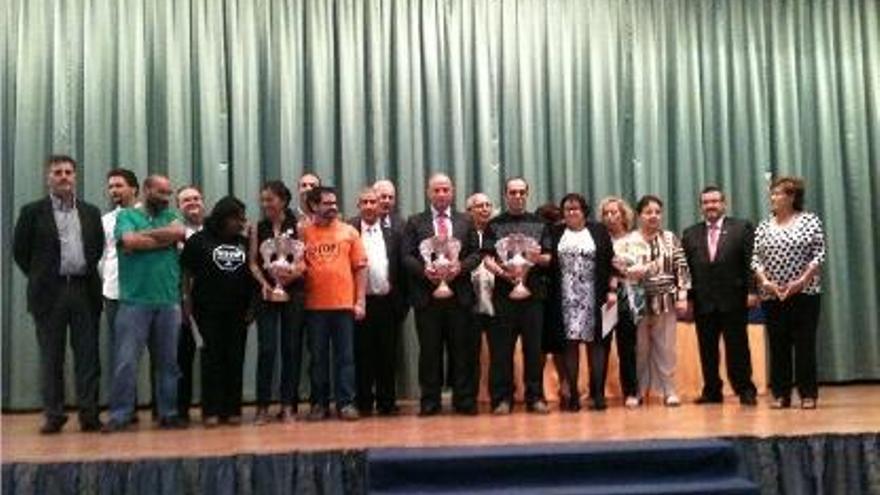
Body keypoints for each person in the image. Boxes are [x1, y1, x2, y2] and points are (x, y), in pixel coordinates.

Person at [13, 155, 105, 433]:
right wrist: (42, 276)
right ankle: (54, 415)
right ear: (48, 178)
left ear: (75, 176)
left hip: (83, 290)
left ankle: (89, 414)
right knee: (51, 356)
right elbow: (21, 252)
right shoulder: (32, 212)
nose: (64, 176)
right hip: (49, 293)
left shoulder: (90, 212)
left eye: (68, 172)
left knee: (88, 356)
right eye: (57, 172)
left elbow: (96, 248)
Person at [103, 175, 187, 432]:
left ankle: (168, 413)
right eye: (161, 192)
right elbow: (128, 241)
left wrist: (146, 237)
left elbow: (179, 232)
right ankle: (120, 415)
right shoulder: (126, 216)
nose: (166, 198)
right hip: (134, 301)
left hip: (168, 301)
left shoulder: (173, 216)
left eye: (169, 193)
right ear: (147, 190)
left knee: (168, 363)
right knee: (126, 362)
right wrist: (162, 240)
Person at [401, 173, 480, 416]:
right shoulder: (415, 222)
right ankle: (430, 401)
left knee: (461, 351)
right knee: (430, 352)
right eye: (437, 190)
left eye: (446, 189)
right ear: (428, 193)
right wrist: (425, 272)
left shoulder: (466, 220)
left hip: (459, 298)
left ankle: (464, 400)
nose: (442, 194)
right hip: (428, 298)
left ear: (452, 192)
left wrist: (460, 267)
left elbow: (476, 254)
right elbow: (406, 256)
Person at [752, 177, 825, 409]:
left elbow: (818, 254)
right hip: (773, 296)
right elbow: (755, 259)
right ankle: (781, 394)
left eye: (778, 194)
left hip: (805, 294)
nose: (772, 198)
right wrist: (766, 283)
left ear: (792, 197)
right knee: (778, 344)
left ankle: (808, 394)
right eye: (772, 194)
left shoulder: (809, 221)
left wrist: (801, 281)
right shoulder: (764, 226)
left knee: (804, 344)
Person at [682, 186, 759, 406]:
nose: (711, 206)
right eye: (706, 202)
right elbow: (686, 270)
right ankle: (712, 391)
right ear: (701, 206)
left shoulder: (741, 228)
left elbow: (750, 263)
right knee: (707, 350)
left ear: (723, 203)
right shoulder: (690, 233)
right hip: (703, 301)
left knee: (738, 347)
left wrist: (752, 291)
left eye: (715, 201)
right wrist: (687, 298)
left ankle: (745, 389)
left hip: (734, 299)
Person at [181, 196, 254, 426]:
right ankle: (210, 410)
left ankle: (232, 409)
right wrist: (186, 301)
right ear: (224, 217)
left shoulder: (243, 242)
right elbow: (185, 272)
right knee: (211, 359)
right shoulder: (199, 240)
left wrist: (252, 307)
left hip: (238, 312)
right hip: (207, 311)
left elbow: (253, 275)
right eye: (237, 219)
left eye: (243, 219)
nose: (241, 223)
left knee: (235, 358)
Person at [482, 178, 552, 414]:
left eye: (522, 192)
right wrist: (505, 274)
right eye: (513, 192)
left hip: (534, 297)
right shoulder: (493, 225)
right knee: (501, 351)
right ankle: (502, 399)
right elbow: (487, 258)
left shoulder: (540, 223)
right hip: (503, 296)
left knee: (534, 351)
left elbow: (550, 258)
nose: (518, 196)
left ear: (527, 194)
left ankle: (535, 397)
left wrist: (534, 259)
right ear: (505, 195)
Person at [301, 186, 367, 421]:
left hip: (343, 307)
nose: (333, 207)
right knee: (317, 359)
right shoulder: (303, 233)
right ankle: (319, 404)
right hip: (314, 307)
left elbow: (360, 268)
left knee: (346, 358)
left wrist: (360, 301)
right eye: (327, 203)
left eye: (335, 202)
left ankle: (346, 403)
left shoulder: (350, 232)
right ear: (314, 206)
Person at [547, 194, 615, 411]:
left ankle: (598, 393)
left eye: (576, 208)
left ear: (584, 211)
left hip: (597, 296)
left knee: (598, 345)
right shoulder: (556, 232)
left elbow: (611, 263)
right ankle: (574, 395)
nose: (572, 212)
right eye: (567, 209)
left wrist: (612, 289)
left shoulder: (599, 231)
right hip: (565, 298)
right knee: (570, 344)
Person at [248, 181, 307, 423]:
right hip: (266, 294)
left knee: (292, 349)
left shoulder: (300, 226)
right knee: (267, 348)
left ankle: (288, 404)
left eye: (270, 200)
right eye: (263, 200)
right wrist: (264, 282)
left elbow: (305, 260)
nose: (266, 205)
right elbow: (252, 262)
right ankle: (262, 406)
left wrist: (291, 275)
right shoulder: (257, 228)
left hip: (294, 293)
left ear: (283, 200)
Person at [627, 195, 690, 407]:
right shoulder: (629, 240)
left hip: (665, 301)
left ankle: (669, 391)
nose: (653, 216)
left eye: (657, 212)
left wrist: (682, 296)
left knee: (666, 348)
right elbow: (621, 269)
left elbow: (681, 267)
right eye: (648, 212)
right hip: (638, 303)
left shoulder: (670, 238)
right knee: (640, 349)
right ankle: (637, 391)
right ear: (639, 215)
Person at [348, 187, 406, 416]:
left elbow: (400, 268)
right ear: (359, 205)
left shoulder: (394, 232)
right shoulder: (349, 229)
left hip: (387, 303)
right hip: (359, 303)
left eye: (374, 202)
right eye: (365, 202)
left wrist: (402, 301)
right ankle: (363, 402)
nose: (370, 206)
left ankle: (387, 403)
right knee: (362, 355)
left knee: (387, 355)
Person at [99, 168, 139, 398]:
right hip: (115, 293)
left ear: (133, 189)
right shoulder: (105, 221)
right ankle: (126, 408)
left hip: (144, 293)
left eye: (119, 185)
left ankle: (162, 411)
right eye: (111, 186)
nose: (114, 190)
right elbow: (102, 258)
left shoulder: (147, 216)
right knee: (122, 353)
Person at [598, 196, 640, 408]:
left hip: (628, 299)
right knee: (602, 347)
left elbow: (636, 267)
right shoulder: (598, 239)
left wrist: (621, 270)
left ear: (624, 215)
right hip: (604, 300)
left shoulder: (636, 239)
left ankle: (631, 392)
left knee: (627, 348)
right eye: (606, 213)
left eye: (614, 212)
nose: (610, 217)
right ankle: (598, 394)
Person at [176, 185, 206, 423]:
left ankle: (212, 408)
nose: (192, 203)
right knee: (181, 358)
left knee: (211, 357)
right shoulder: (173, 232)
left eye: (196, 198)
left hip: (209, 304)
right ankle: (180, 410)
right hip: (178, 302)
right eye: (186, 200)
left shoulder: (213, 233)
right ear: (178, 206)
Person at [535, 202, 569, 405]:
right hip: (539, 295)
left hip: (558, 295)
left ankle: (565, 387)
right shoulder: (535, 235)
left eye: (555, 220)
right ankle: (538, 390)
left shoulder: (566, 237)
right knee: (539, 347)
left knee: (560, 347)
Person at [466, 193, 495, 394]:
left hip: (497, 301)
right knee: (470, 352)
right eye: (479, 206)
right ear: (469, 211)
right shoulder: (463, 232)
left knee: (499, 351)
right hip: (469, 301)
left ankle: (499, 394)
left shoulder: (497, 232)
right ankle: (472, 396)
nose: (484, 209)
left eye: (487, 205)